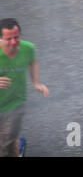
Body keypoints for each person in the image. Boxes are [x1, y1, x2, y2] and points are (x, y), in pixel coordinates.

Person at [0, 18, 49, 157]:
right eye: (8, 39)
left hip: (15, 103)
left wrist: (36, 83)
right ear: (1, 38)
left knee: (4, 145)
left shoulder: (28, 48)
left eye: (16, 37)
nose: (14, 42)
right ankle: (18, 147)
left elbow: (33, 62)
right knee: (7, 143)